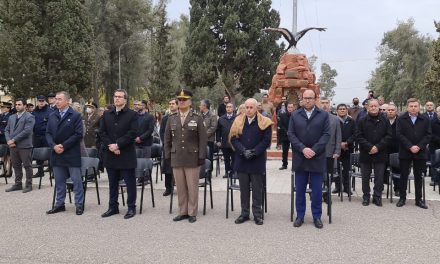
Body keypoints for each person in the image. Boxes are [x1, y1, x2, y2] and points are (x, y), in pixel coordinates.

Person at [288, 89, 330, 229]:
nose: (307, 100)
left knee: (317, 191)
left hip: (317, 158)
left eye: (310, 98)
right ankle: (300, 216)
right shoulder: (295, 115)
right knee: (300, 189)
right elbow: (291, 134)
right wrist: (303, 148)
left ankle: (317, 216)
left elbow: (326, 134)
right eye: (305, 98)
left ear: (315, 98)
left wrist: (314, 150)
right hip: (301, 157)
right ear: (302, 99)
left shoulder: (323, 115)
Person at [164, 89, 207, 223]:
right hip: (176, 157)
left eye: (184, 99)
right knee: (180, 186)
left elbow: (203, 139)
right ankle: (183, 211)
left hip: (192, 157)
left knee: (192, 186)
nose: (181, 102)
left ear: (190, 102)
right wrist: (167, 155)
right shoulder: (172, 118)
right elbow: (167, 139)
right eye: (179, 100)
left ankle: (192, 212)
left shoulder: (197, 118)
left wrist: (201, 156)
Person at [230, 98, 272, 226]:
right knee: (244, 189)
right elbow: (233, 139)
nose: (248, 110)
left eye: (251, 107)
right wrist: (243, 151)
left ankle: (257, 214)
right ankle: (244, 213)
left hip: (257, 160)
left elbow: (266, 141)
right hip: (242, 160)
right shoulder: (238, 121)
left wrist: (254, 151)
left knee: (257, 188)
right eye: (246, 107)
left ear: (256, 108)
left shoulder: (265, 122)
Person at [100, 89, 138, 219]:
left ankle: (131, 207)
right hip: (111, 154)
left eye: (120, 97)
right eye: (115, 96)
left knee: (130, 182)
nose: (117, 99)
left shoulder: (132, 114)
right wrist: (111, 145)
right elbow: (102, 133)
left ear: (125, 100)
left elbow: (132, 133)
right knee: (112, 183)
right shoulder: (106, 114)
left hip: (126, 154)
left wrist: (118, 145)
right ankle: (113, 207)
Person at [46, 91, 85, 215]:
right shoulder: (52, 115)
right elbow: (48, 133)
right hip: (56, 153)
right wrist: (53, 146)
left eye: (59, 99)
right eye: (56, 99)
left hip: (70, 153)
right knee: (59, 181)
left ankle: (79, 205)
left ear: (67, 101)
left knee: (76, 181)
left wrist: (63, 145)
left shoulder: (75, 115)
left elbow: (78, 134)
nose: (56, 101)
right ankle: (59, 204)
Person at [396, 98, 431, 209]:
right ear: (407, 107)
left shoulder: (425, 119)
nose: (413, 108)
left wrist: (419, 146)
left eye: (415, 106)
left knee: (418, 177)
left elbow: (428, 135)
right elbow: (399, 134)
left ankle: (418, 200)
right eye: (411, 106)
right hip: (405, 151)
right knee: (404, 176)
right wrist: (410, 146)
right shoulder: (401, 118)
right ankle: (402, 198)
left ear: (419, 107)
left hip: (420, 152)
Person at [356, 99, 392, 207]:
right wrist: (370, 147)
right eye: (371, 106)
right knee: (365, 177)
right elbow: (358, 136)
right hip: (366, 153)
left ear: (378, 107)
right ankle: (366, 197)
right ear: (367, 107)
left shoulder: (385, 120)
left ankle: (377, 197)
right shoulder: (362, 120)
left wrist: (377, 147)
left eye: (375, 106)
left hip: (380, 153)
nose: (373, 108)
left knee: (379, 177)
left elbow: (389, 136)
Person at [4, 99, 35, 193]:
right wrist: (9, 140)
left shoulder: (30, 117)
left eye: (19, 104)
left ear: (24, 106)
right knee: (16, 166)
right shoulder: (12, 117)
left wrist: (14, 140)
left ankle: (28, 185)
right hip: (12, 146)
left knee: (27, 165)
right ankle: (18, 184)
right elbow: (6, 130)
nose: (17, 106)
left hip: (24, 146)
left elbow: (27, 131)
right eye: (16, 104)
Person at [334, 104, 356, 194]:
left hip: (348, 149)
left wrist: (347, 143)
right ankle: (338, 187)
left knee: (347, 169)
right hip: (336, 149)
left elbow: (355, 134)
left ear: (347, 110)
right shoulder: (334, 121)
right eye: (340, 109)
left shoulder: (352, 121)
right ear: (337, 111)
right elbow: (331, 134)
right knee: (336, 169)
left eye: (344, 109)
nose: (342, 110)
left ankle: (347, 188)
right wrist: (339, 144)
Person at [321, 98, 341, 188]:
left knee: (329, 175)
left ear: (329, 105)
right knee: (316, 174)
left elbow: (338, 136)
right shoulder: (313, 118)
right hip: (316, 152)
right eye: (322, 103)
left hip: (330, 151)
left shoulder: (335, 119)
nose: (324, 105)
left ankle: (327, 195)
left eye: (326, 103)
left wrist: (337, 151)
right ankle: (315, 193)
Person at [160, 99, 178, 196]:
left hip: (179, 147)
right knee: (168, 168)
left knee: (179, 168)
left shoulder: (181, 117)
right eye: (170, 104)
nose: (171, 105)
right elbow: (162, 132)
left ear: (177, 105)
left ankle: (181, 187)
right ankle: (168, 188)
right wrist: (166, 143)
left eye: (173, 104)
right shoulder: (165, 118)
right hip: (167, 147)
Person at [31, 95, 53, 177]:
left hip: (46, 136)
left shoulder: (50, 111)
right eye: (39, 101)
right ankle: (40, 171)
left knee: (50, 154)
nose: (41, 102)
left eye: (42, 101)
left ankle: (52, 171)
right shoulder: (34, 112)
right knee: (37, 154)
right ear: (37, 102)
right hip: (36, 136)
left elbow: (51, 124)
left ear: (45, 101)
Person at [216, 102, 236, 178]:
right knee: (226, 159)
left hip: (234, 142)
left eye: (230, 107)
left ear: (233, 108)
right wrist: (218, 140)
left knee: (234, 158)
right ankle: (227, 172)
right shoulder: (221, 119)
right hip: (224, 142)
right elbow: (218, 131)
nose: (228, 108)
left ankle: (233, 172)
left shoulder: (236, 118)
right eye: (227, 107)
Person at [386, 103, 400, 196]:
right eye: (389, 110)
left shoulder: (401, 121)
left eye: (392, 110)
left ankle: (397, 189)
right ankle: (382, 186)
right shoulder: (382, 120)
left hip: (397, 149)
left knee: (397, 170)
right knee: (382, 168)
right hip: (384, 149)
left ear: (396, 111)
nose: (390, 111)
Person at [199, 99, 218, 167]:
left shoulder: (212, 115)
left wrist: (204, 135)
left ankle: (209, 172)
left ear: (205, 106)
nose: (199, 106)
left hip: (209, 140)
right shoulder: (199, 116)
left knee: (209, 156)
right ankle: (202, 171)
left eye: (200, 105)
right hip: (200, 140)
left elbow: (213, 127)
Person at [277, 103, 295, 170]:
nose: (290, 108)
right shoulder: (282, 115)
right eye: (289, 107)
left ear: (293, 108)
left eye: (291, 107)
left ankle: (294, 165)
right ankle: (284, 165)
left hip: (294, 136)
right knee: (284, 151)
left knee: (295, 151)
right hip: (285, 136)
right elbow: (280, 125)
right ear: (286, 108)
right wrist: (286, 131)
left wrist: (291, 132)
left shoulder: (296, 116)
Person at [0, 102, 13, 177]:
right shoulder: (1, 116)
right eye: (1, 107)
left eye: (3, 107)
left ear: (8, 108)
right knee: (2, 155)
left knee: (8, 155)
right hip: (1, 138)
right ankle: (3, 171)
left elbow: (10, 127)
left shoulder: (10, 117)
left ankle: (9, 171)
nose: (2, 108)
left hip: (7, 138)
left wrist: (1, 131)